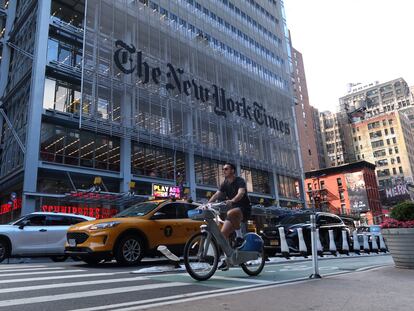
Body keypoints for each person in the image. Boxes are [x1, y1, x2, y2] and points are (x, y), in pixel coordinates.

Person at [208, 162, 251, 244]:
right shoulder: (224, 183)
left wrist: (232, 200)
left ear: (232, 170)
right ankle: (229, 255)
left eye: (226, 169)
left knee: (231, 212)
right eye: (223, 169)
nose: (224, 171)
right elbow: (217, 194)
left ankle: (239, 236)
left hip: (244, 209)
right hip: (233, 211)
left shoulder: (240, 181)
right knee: (223, 235)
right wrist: (207, 204)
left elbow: (241, 193)